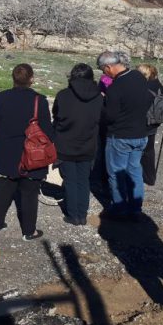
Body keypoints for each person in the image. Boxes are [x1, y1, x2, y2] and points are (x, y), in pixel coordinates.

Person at [0, 64, 53, 241]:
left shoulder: (2, 97)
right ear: (31, 79)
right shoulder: (39, 100)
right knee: (29, 192)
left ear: (13, 78)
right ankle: (28, 230)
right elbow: (47, 129)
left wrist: (4, 135)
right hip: (31, 152)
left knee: (4, 187)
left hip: (7, 149)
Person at [97, 51, 151, 218]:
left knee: (116, 172)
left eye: (103, 70)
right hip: (141, 133)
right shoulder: (138, 76)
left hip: (120, 136)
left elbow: (110, 116)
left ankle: (119, 208)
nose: (103, 73)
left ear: (108, 67)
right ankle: (135, 208)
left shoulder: (115, 88)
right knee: (135, 170)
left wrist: (102, 107)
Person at [52, 63, 103, 226]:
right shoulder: (99, 97)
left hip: (66, 144)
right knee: (83, 180)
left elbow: (56, 116)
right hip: (88, 143)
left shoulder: (63, 95)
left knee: (71, 180)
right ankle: (82, 214)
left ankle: (74, 215)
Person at [137, 63, 163, 186]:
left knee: (137, 148)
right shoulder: (157, 84)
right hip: (154, 122)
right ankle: (150, 177)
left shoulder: (141, 86)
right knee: (149, 150)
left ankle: (136, 175)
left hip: (143, 122)